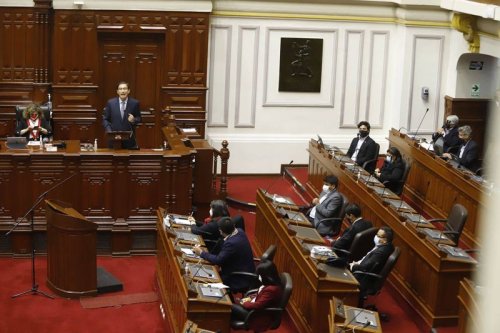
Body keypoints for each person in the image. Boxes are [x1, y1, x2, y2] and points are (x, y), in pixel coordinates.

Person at [193, 217, 255, 291]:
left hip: (238, 277)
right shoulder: (239, 231)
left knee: (207, 282)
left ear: (220, 231)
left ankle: (226, 299)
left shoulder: (231, 243)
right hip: (243, 267)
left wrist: (201, 253)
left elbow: (218, 260)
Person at [230, 260, 283, 331]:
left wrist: (244, 303)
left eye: (260, 276)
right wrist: (248, 298)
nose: (258, 278)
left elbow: (258, 305)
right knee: (231, 308)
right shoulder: (271, 283)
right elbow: (259, 294)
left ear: (267, 276)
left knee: (228, 306)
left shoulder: (271, 290)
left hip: (256, 315)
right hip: (254, 310)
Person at [350, 227, 394, 297]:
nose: (376, 237)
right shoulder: (387, 246)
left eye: (379, 236)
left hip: (362, 277)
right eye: (376, 234)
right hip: (364, 271)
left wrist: (353, 266)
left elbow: (365, 267)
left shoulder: (381, 252)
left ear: (385, 240)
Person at [102, 81, 142, 149]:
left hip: (129, 140)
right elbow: (105, 119)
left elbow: (139, 118)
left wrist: (133, 120)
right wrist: (110, 132)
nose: (122, 91)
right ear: (117, 91)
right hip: (114, 140)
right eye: (120, 89)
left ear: (128, 91)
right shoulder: (110, 103)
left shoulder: (135, 103)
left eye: (124, 89)